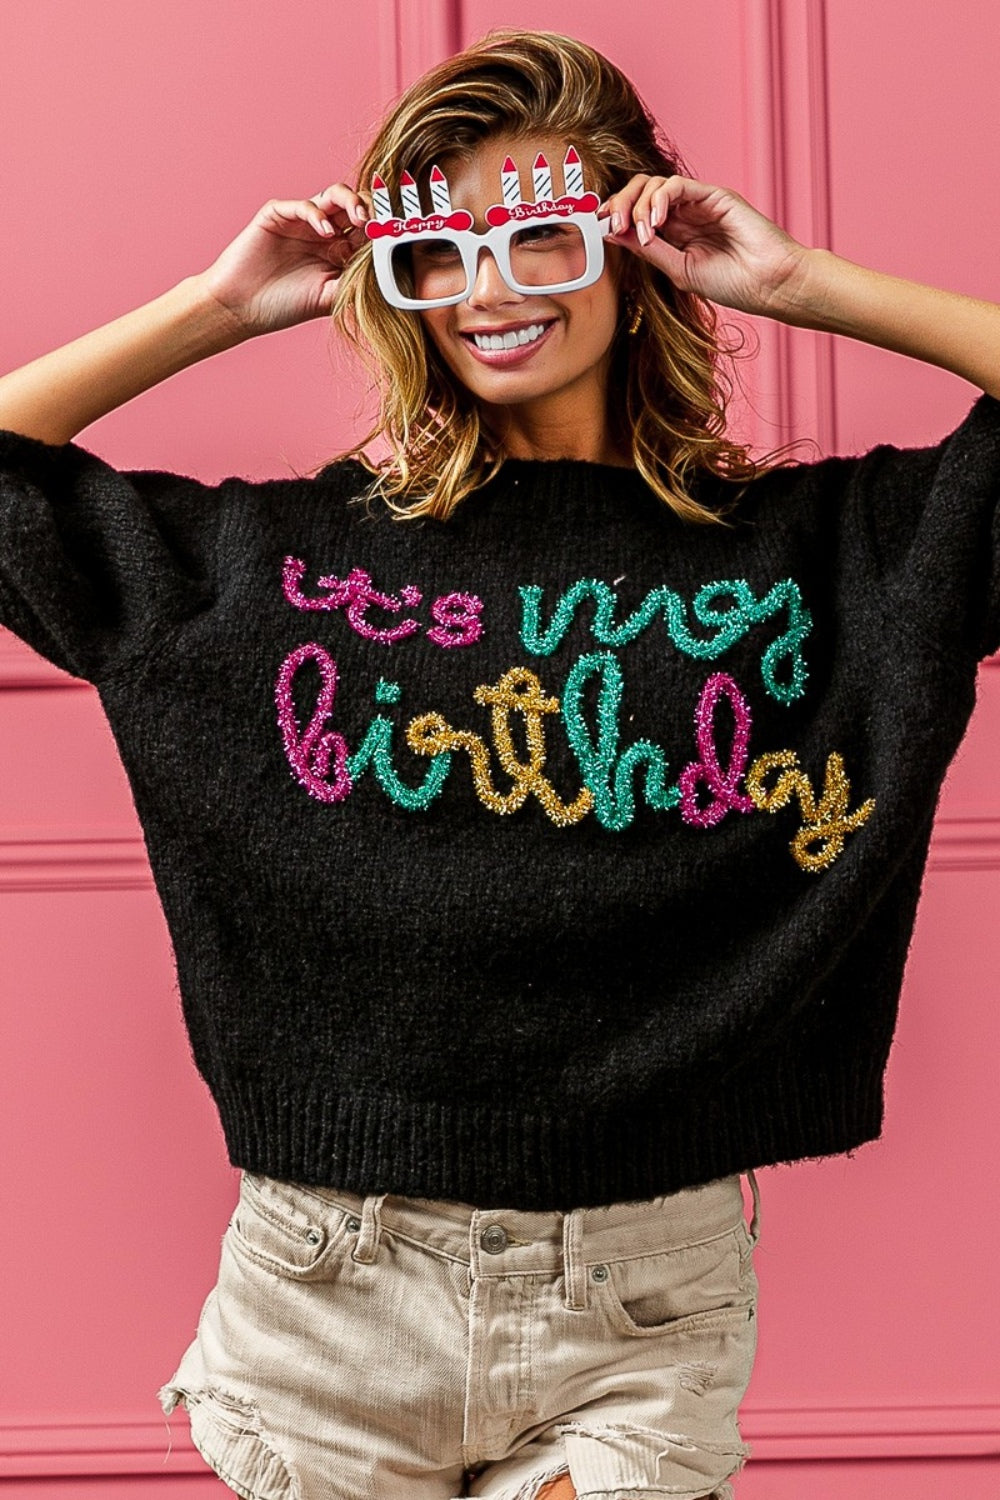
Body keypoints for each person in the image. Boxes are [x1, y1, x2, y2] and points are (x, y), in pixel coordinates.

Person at [2, 25, 999, 1500]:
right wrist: (215, 309)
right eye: (441, 255)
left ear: (630, 249)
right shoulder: (276, 571)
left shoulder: (831, 561)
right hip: (324, 1296)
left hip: (638, 1298)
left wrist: (802, 285)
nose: (490, 292)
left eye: (538, 236)